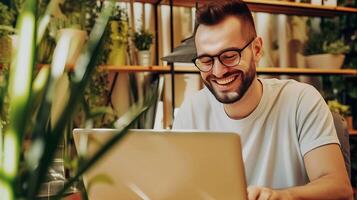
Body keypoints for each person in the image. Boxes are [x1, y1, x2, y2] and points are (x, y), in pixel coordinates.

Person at [172, 1, 353, 199]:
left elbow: (339, 188)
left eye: (230, 56)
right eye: (206, 61)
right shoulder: (191, 111)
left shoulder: (301, 100)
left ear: (257, 50)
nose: (218, 71)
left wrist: (281, 196)